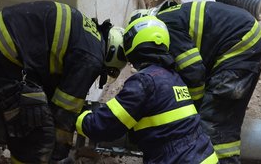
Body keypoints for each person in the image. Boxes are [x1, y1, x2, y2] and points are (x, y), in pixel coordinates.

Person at [0, 1, 126, 163]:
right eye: (106, 71)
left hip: (0, 41)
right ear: (111, 55)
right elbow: (64, 112)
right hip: (3, 52)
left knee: (37, 114)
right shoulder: (90, 59)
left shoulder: (90, 37)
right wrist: (60, 153)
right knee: (35, 127)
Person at [130, 1, 261, 163]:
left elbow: (193, 71)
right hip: (243, 40)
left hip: (238, 43)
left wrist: (191, 108)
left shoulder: (165, 26)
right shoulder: (171, 19)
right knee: (221, 116)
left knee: (214, 122)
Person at [76, 15, 218, 163]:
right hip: (206, 157)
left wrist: (78, 118)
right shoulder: (174, 78)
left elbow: (104, 126)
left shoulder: (144, 82)